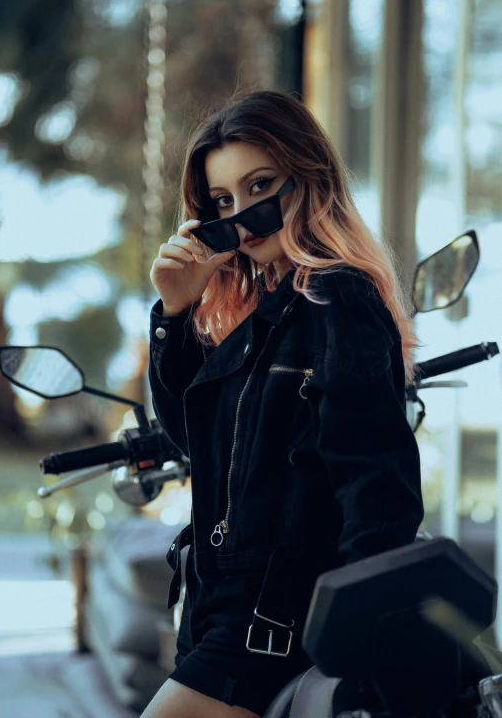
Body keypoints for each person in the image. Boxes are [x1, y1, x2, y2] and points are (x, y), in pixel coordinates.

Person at [143, 89, 424, 718]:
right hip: (222, 616)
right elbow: (196, 442)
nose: (242, 218)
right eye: (222, 203)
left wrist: (360, 629)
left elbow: (375, 482)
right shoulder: (263, 317)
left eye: (260, 186)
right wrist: (175, 313)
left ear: (309, 179)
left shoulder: (336, 297)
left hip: (273, 623)